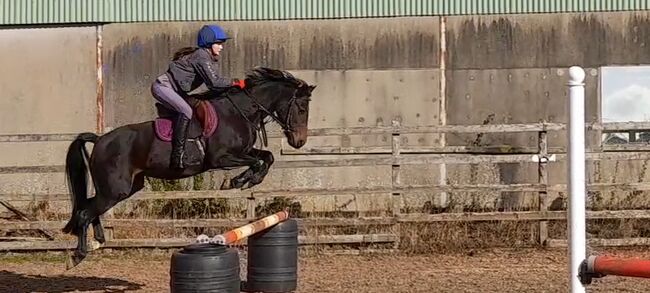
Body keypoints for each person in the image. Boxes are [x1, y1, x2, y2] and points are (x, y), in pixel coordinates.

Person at [151, 24, 246, 169]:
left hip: (175, 90)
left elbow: (215, 83)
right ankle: (178, 157)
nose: (221, 47)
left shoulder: (207, 58)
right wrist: (236, 82)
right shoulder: (201, 56)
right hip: (163, 87)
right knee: (186, 111)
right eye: (219, 44)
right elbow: (214, 83)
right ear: (209, 43)